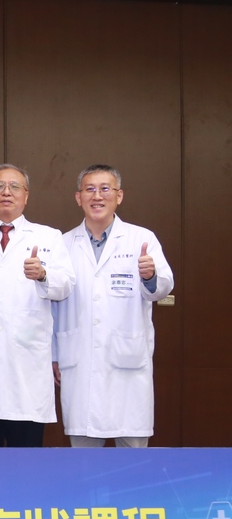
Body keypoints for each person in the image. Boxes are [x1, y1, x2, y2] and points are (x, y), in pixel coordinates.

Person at [53, 164, 174, 447]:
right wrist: (54, 354)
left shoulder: (142, 239)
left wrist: (151, 275)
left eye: (105, 189)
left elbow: (164, 287)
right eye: (90, 189)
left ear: (119, 196)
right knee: (84, 460)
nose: (97, 196)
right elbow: (52, 306)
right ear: (78, 197)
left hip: (127, 363)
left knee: (132, 459)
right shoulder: (63, 243)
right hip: (78, 361)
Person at [0, 163, 75, 447]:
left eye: (15, 187)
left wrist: (43, 274)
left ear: (27, 196)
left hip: (28, 368)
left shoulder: (49, 237)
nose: (6, 192)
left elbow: (66, 285)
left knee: (27, 462)